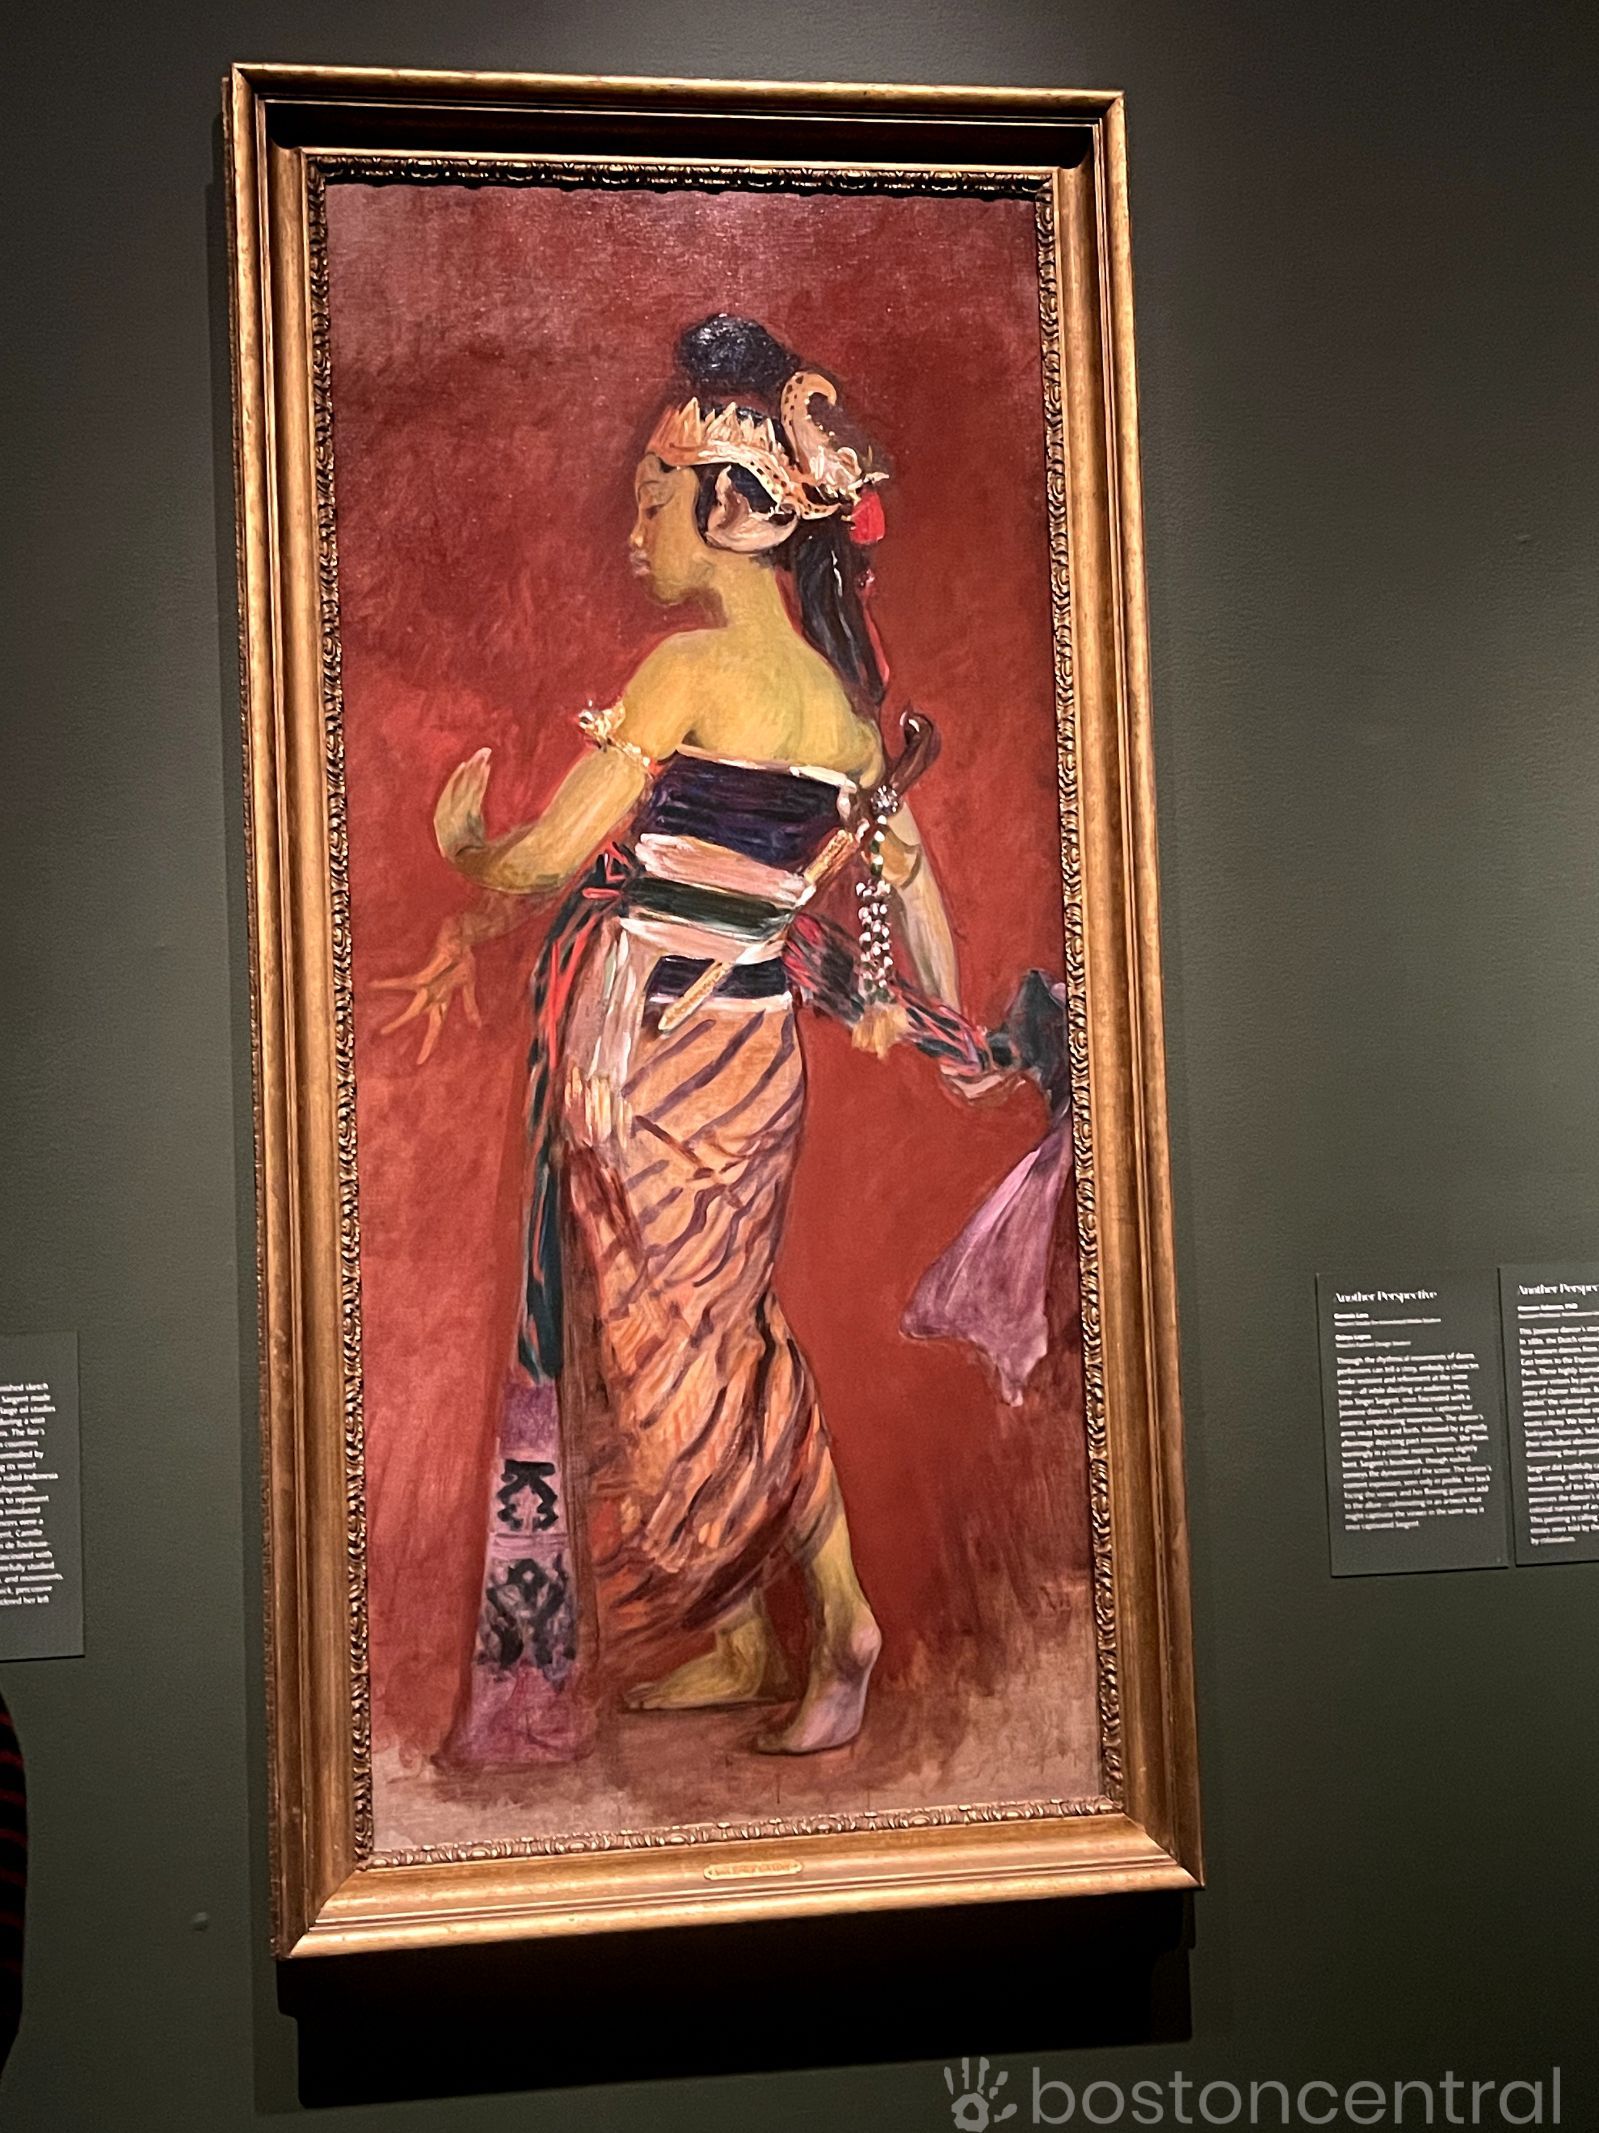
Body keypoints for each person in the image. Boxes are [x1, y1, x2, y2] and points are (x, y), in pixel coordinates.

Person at [380, 315, 1000, 1762]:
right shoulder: (843, 713)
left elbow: (554, 855)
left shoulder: (689, 671)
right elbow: (918, 904)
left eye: (655, 497)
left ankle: (840, 1621)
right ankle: (729, 1632)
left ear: (733, 514)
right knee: (704, 1334)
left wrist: (470, 846)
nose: (635, 526)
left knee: (690, 1349)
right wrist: (943, 1019)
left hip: (656, 1048)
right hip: (749, 1050)